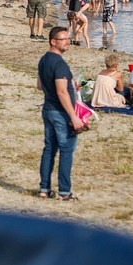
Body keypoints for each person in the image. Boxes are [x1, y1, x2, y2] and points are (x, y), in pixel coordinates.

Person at [37, 26, 84, 201]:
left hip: (48, 109)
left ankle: (44, 188)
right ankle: (64, 191)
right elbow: (61, 92)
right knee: (66, 150)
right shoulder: (59, 64)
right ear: (53, 41)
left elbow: (40, 85)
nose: (67, 42)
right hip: (60, 112)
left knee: (49, 149)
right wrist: (73, 116)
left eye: (68, 39)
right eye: (63, 39)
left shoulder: (44, 60)